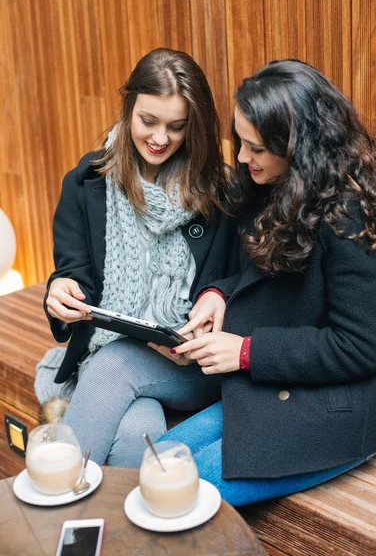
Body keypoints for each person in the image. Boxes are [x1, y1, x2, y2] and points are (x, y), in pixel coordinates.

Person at [160, 58, 376, 506]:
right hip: (284, 381)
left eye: (255, 147)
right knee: (154, 466)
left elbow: (360, 348)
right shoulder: (276, 182)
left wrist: (246, 352)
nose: (241, 157)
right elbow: (273, 275)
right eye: (240, 142)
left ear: (297, 147)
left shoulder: (348, 213)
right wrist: (218, 294)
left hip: (342, 402)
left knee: (185, 493)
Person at [37, 47, 239, 467]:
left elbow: (246, 279)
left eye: (177, 127)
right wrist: (60, 291)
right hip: (108, 349)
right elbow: (72, 273)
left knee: (112, 367)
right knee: (133, 439)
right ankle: (103, 532)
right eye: (148, 121)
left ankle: (55, 510)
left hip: (188, 366)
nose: (160, 138)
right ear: (128, 108)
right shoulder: (88, 182)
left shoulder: (221, 192)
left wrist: (219, 295)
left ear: (194, 127)